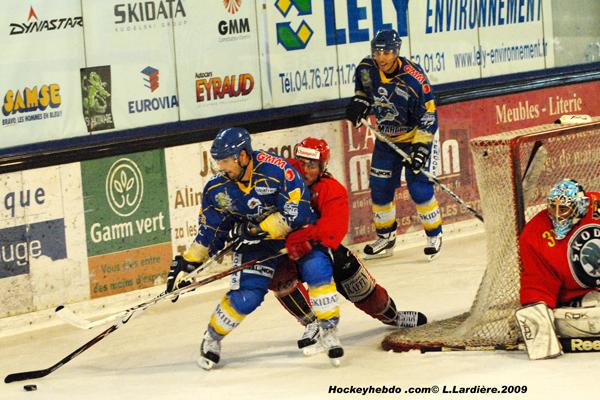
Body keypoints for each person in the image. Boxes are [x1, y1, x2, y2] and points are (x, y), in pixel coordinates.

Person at [165, 127, 343, 369]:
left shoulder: (278, 170)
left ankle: (328, 330)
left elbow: (297, 211)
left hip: (295, 234)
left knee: (318, 269)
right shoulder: (217, 189)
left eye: (226, 161)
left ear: (243, 156)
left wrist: (258, 228)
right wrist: (189, 261)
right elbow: (211, 231)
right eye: (219, 162)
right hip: (256, 246)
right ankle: (212, 338)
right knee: (247, 296)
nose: (222, 168)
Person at [270, 137, 427, 352]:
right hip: (291, 253)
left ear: (322, 166)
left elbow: (333, 230)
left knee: (371, 297)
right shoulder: (281, 179)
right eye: (302, 163)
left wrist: (305, 236)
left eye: (312, 165)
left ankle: (392, 316)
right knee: (278, 277)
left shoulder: (331, 190)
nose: (306, 170)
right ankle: (313, 322)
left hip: (326, 252)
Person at [345, 28, 442, 260]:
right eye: (377, 52)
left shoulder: (414, 79)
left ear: (396, 51)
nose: (381, 57)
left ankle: (434, 235)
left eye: (387, 52)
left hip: (417, 138)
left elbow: (429, 117)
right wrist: (359, 104)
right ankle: (386, 238)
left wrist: (420, 150)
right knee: (380, 189)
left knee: (419, 189)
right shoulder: (366, 70)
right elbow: (364, 94)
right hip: (387, 141)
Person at [516, 179, 600, 359]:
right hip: (575, 302)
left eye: (563, 209)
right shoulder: (535, 233)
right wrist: (537, 313)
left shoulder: (597, 208)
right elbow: (538, 282)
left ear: (580, 206)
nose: (556, 215)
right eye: (552, 208)